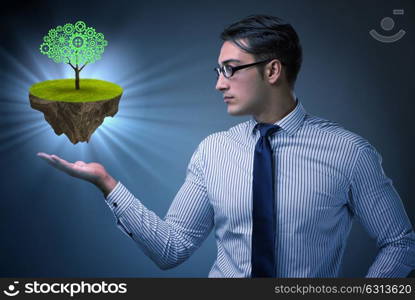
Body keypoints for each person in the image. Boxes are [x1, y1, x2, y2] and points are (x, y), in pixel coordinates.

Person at [37, 15, 415, 278]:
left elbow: (400, 242)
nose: (220, 84)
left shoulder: (349, 152)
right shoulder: (213, 151)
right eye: (218, 71)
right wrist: (107, 183)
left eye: (230, 69)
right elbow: (171, 249)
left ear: (272, 71)